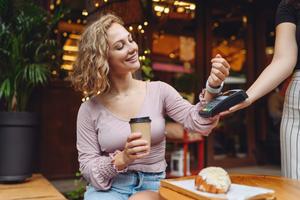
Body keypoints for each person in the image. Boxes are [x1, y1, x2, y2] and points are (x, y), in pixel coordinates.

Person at [70, 13, 230, 200]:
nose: (132, 48)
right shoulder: (89, 110)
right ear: (101, 60)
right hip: (109, 189)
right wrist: (122, 159)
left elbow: (198, 122)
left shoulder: (159, 91)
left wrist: (213, 87)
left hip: (152, 186)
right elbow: (88, 168)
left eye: (130, 40)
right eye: (120, 46)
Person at [223, 0, 300, 180]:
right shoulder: (290, 4)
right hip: (297, 103)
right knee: (295, 188)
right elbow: (284, 59)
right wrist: (248, 96)